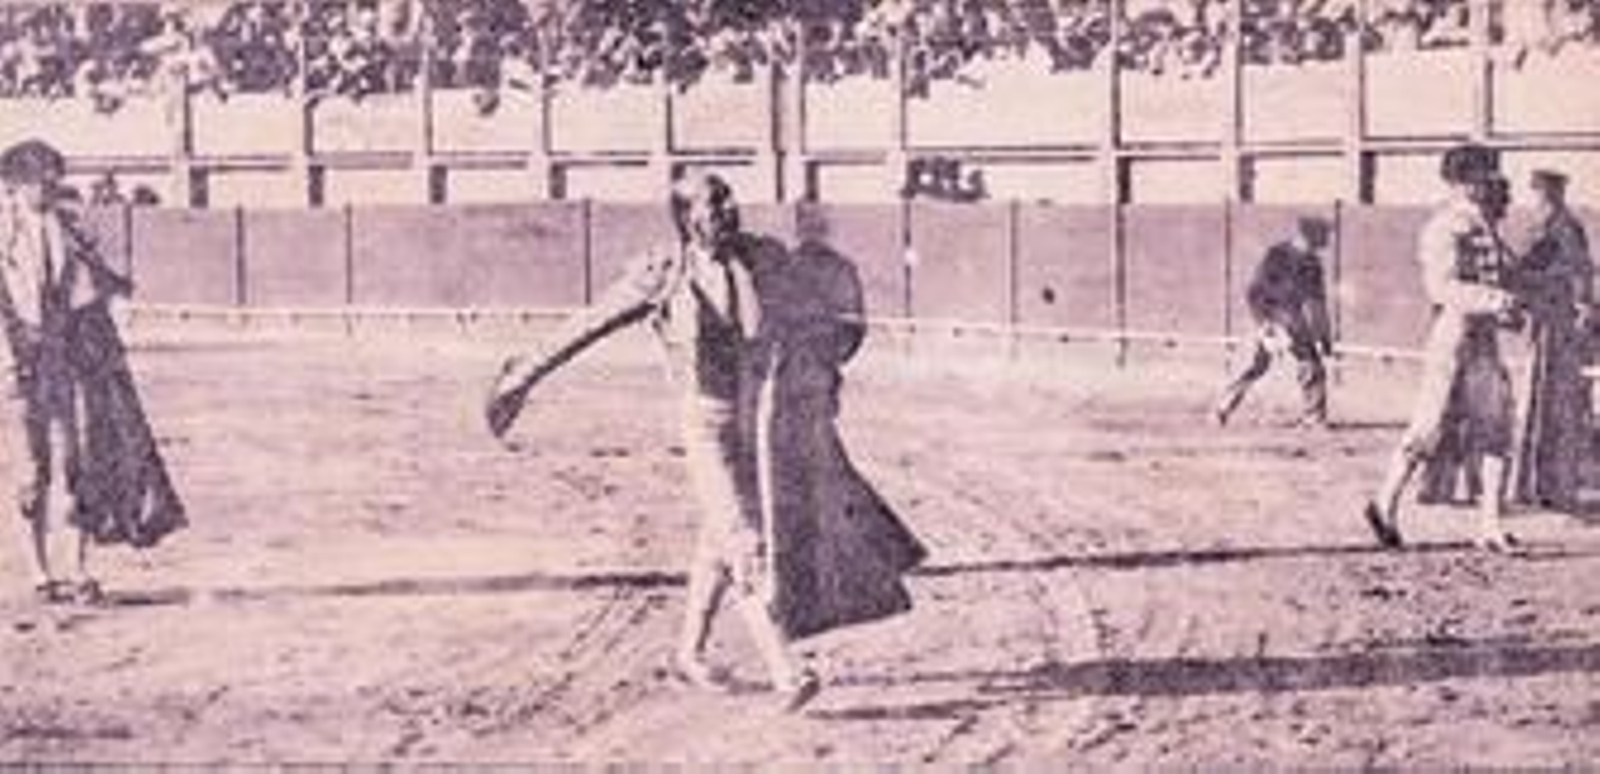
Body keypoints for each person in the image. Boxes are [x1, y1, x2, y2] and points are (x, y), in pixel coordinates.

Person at [486, 174, 924, 711]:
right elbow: (587, 326)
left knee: (718, 540)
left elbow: (816, 320)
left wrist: (827, 373)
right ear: (686, 216)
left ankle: (689, 654)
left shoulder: (763, 259)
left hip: (757, 418)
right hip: (706, 424)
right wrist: (521, 377)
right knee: (743, 539)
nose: (727, 209)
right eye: (712, 202)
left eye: (728, 198)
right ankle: (786, 672)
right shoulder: (662, 274)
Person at [0, 139, 185, 604]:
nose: (50, 187)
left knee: (77, 463)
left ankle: (78, 571)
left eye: (53, 179)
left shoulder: (68, 229)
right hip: (16, 365)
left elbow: (93, 294)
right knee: (30, 474)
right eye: (42, 180)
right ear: (16, 184)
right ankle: (39, 575)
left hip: (65, 362)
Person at [1362, 144, 1522, 552]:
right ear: (1463, 180)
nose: (1492, 182)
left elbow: (1504, 274)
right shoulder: (1442, 227)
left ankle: (1489, 526)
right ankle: (1385, 503)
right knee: (1428, 428)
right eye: (1484, 175)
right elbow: (1441, 287)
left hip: (1483, 337)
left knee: (1496, 428)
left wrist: (1515, 297)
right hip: (1452, 337)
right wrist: (1497, 300)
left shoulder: (1482, 223)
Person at [1512, 169, 1594, 511]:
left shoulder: (1556, 226)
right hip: (1547, 320)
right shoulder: (1556, 225)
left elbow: (1581, 273)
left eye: (1543, 193)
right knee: (1546, 400)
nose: (1540, 200)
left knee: (1547, 399)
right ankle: (1543, 484)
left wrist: (1581, 306)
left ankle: (1545, 484)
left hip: (1554, 323)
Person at [1214, 215, 1335, 428]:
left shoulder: (1313, 264)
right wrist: (1264, 324)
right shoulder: (1278, 255)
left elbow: (1317, 303)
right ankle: (1221, 409)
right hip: (1270, 313)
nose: (1327, 240)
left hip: (1292, 317)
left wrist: (1323, 335)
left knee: (1307, 363)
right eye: (1323, 235)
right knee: (1256, 364)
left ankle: (1314, 418)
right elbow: (1255, 292)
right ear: (1309, 236)